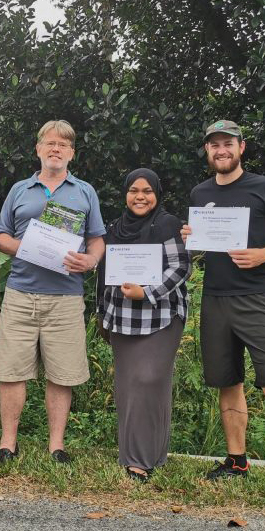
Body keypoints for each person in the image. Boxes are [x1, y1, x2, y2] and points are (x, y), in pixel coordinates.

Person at [181, 119, 265, 515]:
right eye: (214, 145)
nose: (221, 150)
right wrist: (193, 238)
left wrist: (263, 255)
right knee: (227, 382)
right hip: (216, 298)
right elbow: (203, 246)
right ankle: (237, 460)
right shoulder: (200, 192)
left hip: (257, 297)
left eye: (228, 144)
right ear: (207, 151)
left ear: (241, 147)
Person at [0, 120, 106, 464]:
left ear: (72, 153)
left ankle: (56, 445)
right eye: (49, 143)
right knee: (12, 372)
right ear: (38, 149)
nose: (55, 149)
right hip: (21, 294)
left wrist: (91, 261)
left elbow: (97, 238)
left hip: (66, 297)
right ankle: (8, 443)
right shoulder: (19, 190)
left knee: (62, 373)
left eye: (63, 145)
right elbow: (0, 235)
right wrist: (25, 249)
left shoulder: (85, 191)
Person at [96, 169, 189, 482]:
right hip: (122, 315)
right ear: (125, 193)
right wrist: (102, 314)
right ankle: (139, 455)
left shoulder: (168, 225)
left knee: (150, 379)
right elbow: (104, 274)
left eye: (147, 191)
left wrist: (147, 293)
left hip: (161, 314)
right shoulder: (114, 228)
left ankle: (142, 460)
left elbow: (180, 268)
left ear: (157, 194)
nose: (140, 196)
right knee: (128, 386)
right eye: (134, 190)